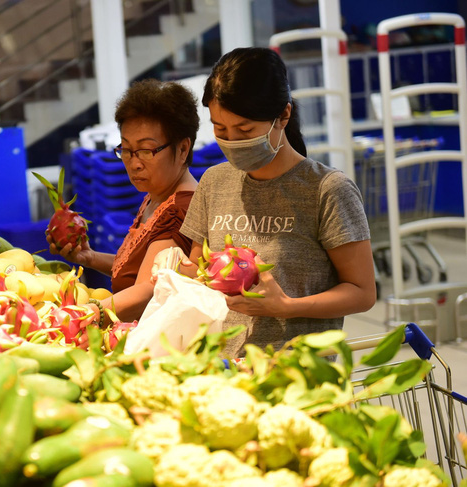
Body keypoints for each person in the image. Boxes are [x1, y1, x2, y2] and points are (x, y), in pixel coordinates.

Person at [152, 47, 377, 358]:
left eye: (245, 130)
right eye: (221, 130)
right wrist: (180, 270)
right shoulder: (214, 183)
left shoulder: (327, 190)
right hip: (221, 370)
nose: (232, 141)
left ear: (283, 115)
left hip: (296, 374)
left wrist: (286, 307)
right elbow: (202, 275)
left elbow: (362, 293)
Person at [49, 78, 200, 325]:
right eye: (127, 150)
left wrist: (82, 315)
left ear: (183, 149)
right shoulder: (157, 195)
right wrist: (90, 258)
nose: (134, 162)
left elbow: (146, 293)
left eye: (146, 150)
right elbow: (139, 270)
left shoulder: (181, 209)